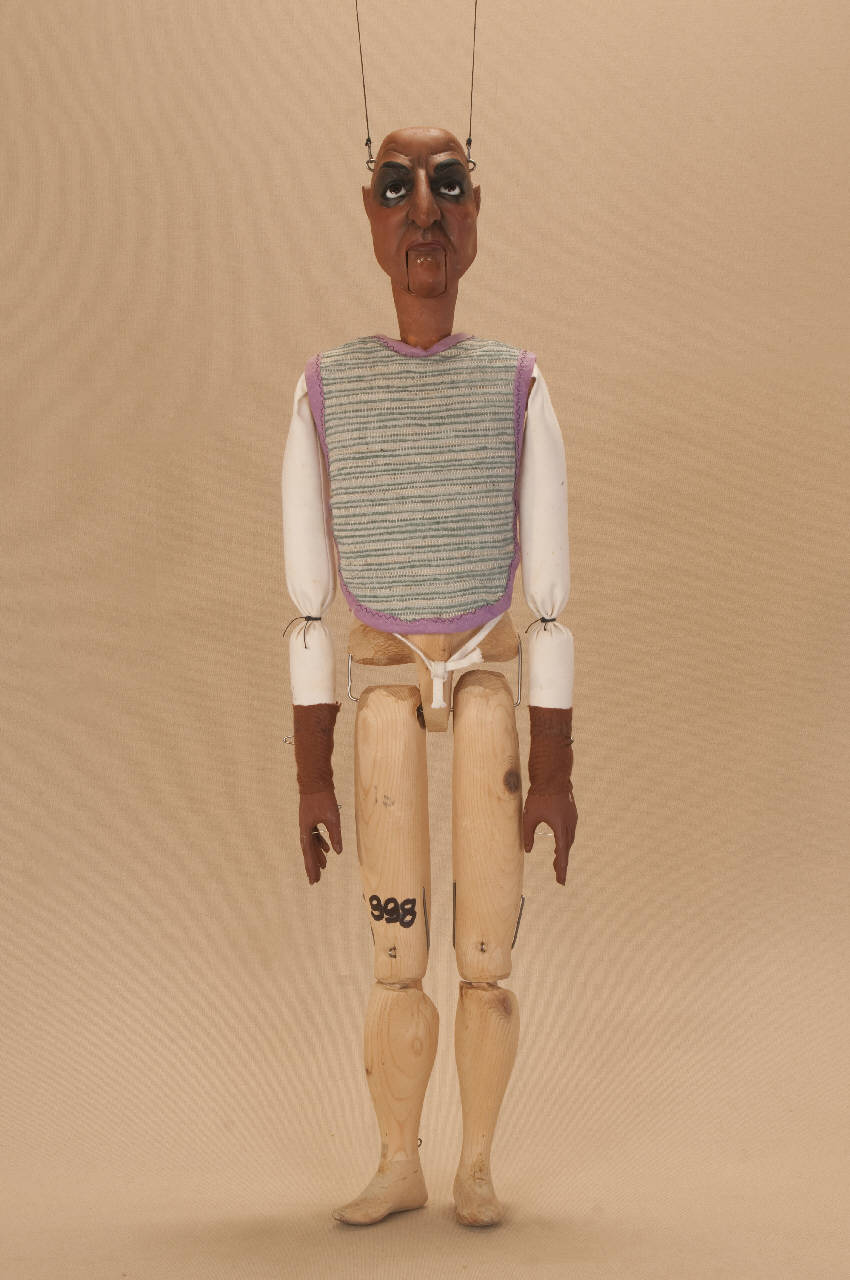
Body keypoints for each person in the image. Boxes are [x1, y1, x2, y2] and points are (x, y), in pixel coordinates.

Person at [282, 126, 577, 1226]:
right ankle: (399, 1155)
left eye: (447, 186)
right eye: (396, 188)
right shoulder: (327, 390)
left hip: (484, 679)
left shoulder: (516, 384)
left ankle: (477, 1161)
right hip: (384, 690)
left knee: (486, 950)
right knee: (396, 949)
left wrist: (553, 769)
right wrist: (312, 774)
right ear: (369, 215)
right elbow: (309, 607)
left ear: (475, 211)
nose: (423, 213)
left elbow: (548, 601)